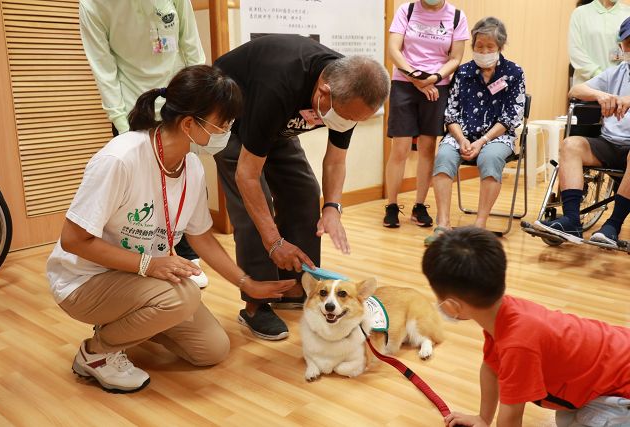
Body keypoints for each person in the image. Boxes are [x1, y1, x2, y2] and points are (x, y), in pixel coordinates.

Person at [46, 65, 296, 393]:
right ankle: (96, 354)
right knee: (184, 295)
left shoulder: (191, 166)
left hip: (142, 278)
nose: (227, 132)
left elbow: (201, 237)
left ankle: (130, 317)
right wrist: (149, 264)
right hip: (84, 280)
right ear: (190, 124)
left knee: (212, 349)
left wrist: (248, 284)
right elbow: (73, 239)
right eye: (223, 124)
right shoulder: (120, 159)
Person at [213, 34, 390, 341]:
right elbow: (247, 175)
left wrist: (333, 208)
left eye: (355, 120)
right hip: (230, 122)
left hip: (276, 126)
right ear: (324, 91)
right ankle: (257, 304)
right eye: (346, 117)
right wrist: (274, 242)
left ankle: (297, 286)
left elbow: (335, 161)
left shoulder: (351, 88)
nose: (348, 123)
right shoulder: (279, 82)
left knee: (305, 192)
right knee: (254, 208)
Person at [422, 227, 630, 427]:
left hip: (622, 387)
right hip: (609, 369)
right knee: (567, 418)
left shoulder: (518, 343)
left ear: (452, 306)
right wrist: (483, 419)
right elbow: (490, 369)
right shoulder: (502, 313)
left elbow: (511, 418)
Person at [79, 0, 208, 286]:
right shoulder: (94, 5)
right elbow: (104, 68)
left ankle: (179, 247)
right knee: (136, 195)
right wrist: (124, 128)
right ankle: (136, 265)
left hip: (180, 106)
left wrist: (201, 104)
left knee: (181, 179)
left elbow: (192, 48)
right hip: (133, 110)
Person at [425, 17, 525, 245]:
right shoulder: (463, 72)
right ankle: (442, 223)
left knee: (490, 159)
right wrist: (460, 139)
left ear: (500, 46)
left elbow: (512, 116)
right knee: (443, 156)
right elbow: (450, 112)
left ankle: (480, 225)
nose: (484, 51)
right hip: (462, 135)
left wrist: (482, 141)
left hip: (497, 136)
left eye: (490, 47)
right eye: (479, 46)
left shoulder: (513, 72)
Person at [534, 17, 630, 248]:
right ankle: (572, 221)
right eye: (629, 43)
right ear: (622, 47)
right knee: (571, 144)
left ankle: (612, 226)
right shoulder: (617, 72)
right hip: (609, 142)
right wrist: (600, 95)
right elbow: (575, 90)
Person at [383, 0, 469, 228]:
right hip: (404, 82)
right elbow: (393, 49)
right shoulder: (406, 9)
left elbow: (455, 58)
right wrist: (416, 77)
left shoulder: (457, 15)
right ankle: (391, 205)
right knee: (400, 147)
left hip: (437, 85)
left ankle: (419, 205)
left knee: (427, 146)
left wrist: (434, 78)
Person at [569, 0, 630, 87]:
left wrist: (613, 76)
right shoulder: (580, 13)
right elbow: (576, 52)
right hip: (587, 87)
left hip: (619, 86)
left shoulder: (627, 13)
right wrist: (599, 75)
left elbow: (627, 52)